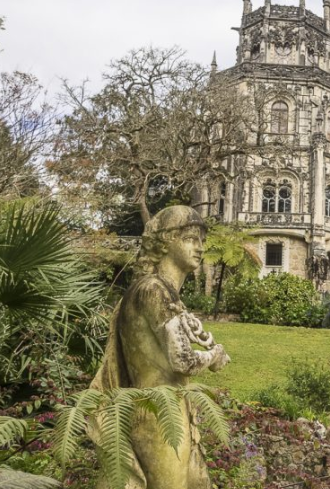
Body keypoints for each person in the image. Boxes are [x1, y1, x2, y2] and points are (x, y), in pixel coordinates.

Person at [91, 206, 229, 489]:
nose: (200, 248)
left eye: (202, 240)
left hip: (169, 408)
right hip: (156, 413)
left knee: (198, 482)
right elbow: (183, 360)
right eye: (191, 238)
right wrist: (214, 355)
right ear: (166, 240)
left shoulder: (159, 291)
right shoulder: (154, 290)